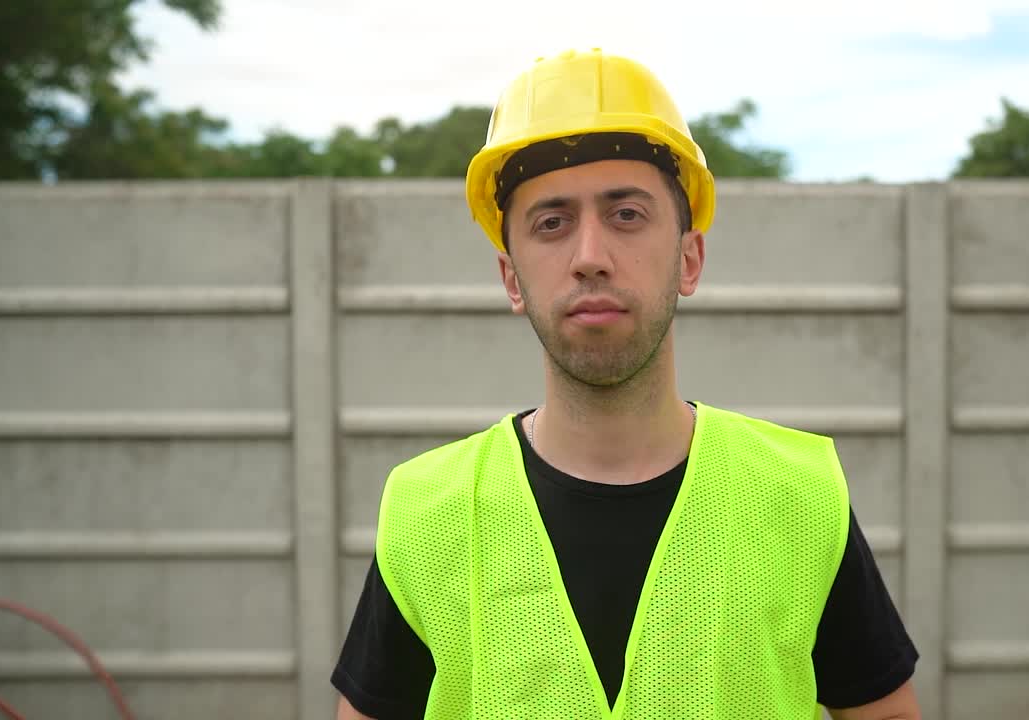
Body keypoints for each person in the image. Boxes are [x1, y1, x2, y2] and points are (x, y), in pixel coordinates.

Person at [332, 48, 920, 720]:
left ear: (689, 259)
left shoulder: (802, 494)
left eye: (626, 215)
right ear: (511, 279)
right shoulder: (425, 513)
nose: (589, 257)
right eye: (551, 223)